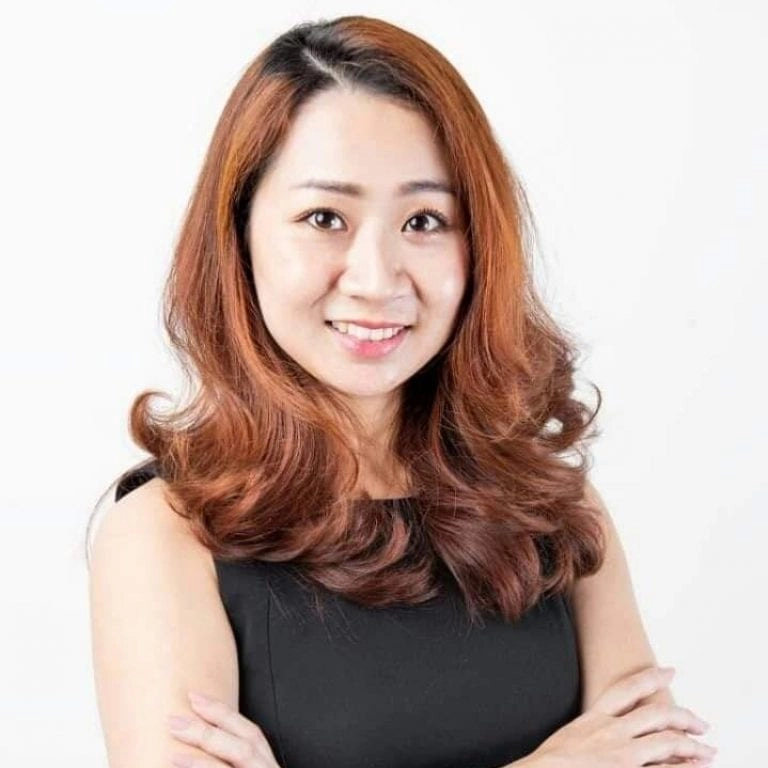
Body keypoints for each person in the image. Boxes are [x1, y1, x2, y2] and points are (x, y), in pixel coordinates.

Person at [86, 15, 717, 768]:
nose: (377, 278)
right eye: (324, 217)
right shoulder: (166, 534)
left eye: (424, 220)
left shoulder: (555, 508)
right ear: (239, 235)